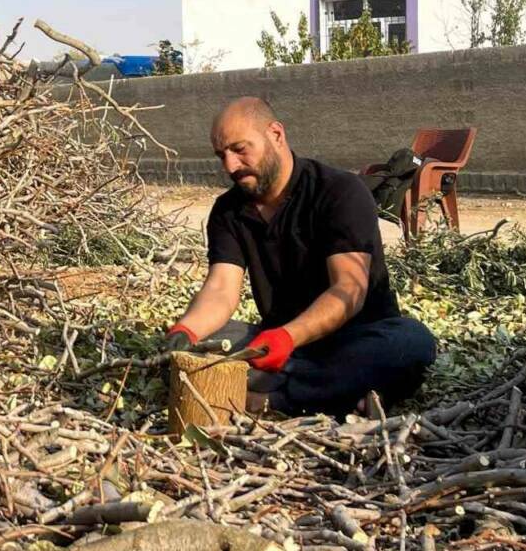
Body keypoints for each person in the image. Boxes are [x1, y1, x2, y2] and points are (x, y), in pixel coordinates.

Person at [165, 97, 436, 418]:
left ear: (276, 135)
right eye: (221, 155)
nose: (230, 166)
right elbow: (221, 289)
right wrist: (185, 333)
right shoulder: (228, 210)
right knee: (202, 344)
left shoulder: (339, 192)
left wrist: (288, 336)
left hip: (354, 339)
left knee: (412, 341)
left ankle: (267, 399)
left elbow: (348, 291)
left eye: (240, 150)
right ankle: (338, 395)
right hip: (278, 345)